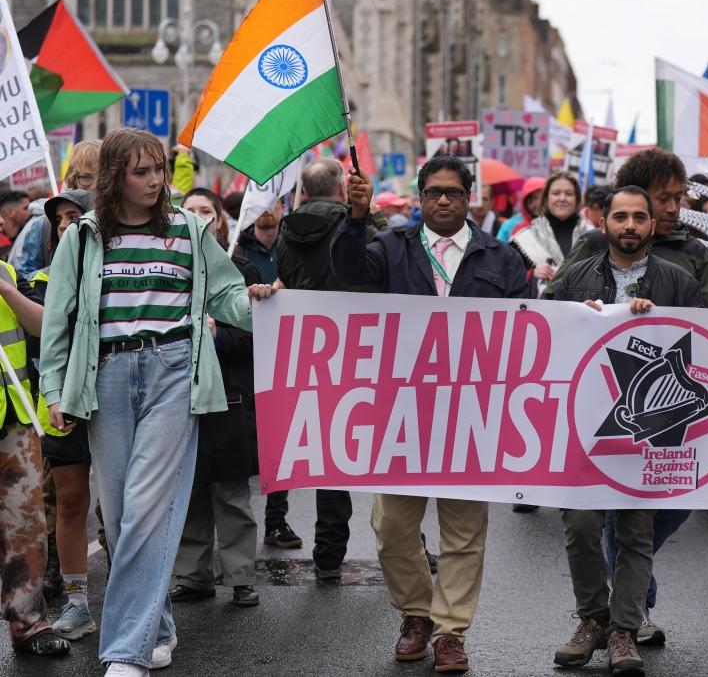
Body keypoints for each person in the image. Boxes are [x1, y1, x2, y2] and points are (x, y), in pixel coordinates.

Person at [39, 129, 275, 676]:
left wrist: (260, 302)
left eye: (159, 170)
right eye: (140, 171)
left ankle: (126, 652)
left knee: (147, 508)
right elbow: (59, 318)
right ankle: (158, 628)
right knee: (123, 516)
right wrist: (53, 390)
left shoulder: (189, 229)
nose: (154, 180)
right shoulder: (84, 236)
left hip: (174, 372)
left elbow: (226, 295)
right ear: (114, 177)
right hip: (106, 376)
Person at [330, 155, 529, 673]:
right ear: (420, 199)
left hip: (470, 414)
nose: (444, 200)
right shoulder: (389, 247)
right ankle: (416, 613)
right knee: (393, 526)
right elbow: (348, 273)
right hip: (401, 412)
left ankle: (449, 632)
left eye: (454, 192)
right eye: (434, 192)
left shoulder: (501, 257)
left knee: (464, 532)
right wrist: (355, 217)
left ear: (468, 198)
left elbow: (528, 328)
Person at [546, 147, 708, 644]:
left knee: (638, 528)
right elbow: (544, 323)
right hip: (587, 421)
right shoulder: (581, 268)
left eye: (643, 216)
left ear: (648, 222)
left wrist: (662, 324)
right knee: (582, 524)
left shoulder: (683, 272)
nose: (632, 224)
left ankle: (625, 625)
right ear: (605, 220)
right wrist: (578, 315)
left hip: (654, 427)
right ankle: (595, 620)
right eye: (622, 216)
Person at [267, 158, 370, 576]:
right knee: (384, 450)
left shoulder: (286, 234)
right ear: (342, 190)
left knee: (330, 453)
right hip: (362, 348)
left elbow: (288, 280)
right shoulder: (356, 226)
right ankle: (409, 546)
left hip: (312, 352)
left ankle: (328, 555)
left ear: (305, 193)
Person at [167, 188, 260, 609]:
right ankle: (193, 575)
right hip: (179, 393)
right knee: (188, 489)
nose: (199, 217)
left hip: (228, 396)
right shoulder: (170, 268)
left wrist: (218, 334)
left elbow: (256, 333)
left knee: (231, 491)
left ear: (220, 220)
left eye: (206, 211)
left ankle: (241, 576)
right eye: (190, 211)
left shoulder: (241, 269)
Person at [0, 192, 71, 658]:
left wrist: (6, 291)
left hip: (15, 416)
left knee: (25, 526)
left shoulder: (7, 274)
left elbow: (44, 327)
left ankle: (28, 623)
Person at [544, 148, 708, 311]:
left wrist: (661, 320)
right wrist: (582, 313)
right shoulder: (594, 243)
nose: (673, 208)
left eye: (677, 198)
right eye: (663, 199)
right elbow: (549, 307)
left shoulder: (694, 252)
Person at [31, 190, 98, 642]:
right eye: (58, 220)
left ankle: (143, 602)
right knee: (70, 502)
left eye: (73, 216)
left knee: (123, 507)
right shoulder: (43, 278)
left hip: (110, 396)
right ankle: (77, 604)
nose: (65, 225)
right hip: (64, 404)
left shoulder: (110, 268)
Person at [15, 140, 101, 280]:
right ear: (73, 179)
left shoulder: (118, 223)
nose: (95, 185)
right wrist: (57, 272)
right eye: (86, 177)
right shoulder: (44, 226)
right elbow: (23, 280)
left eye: (101, 177)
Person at [512, 171, 586, 294]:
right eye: (556, 193)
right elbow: (509, 278)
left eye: (569, 194)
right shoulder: (527, 237)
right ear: (546, 199)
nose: (562, 198)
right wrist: (533, 275)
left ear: (577, 199)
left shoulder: (593, 235)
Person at [233, 199, 280, 284]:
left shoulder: (293, 249)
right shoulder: (237, 253)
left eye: (272, 201)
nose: (266, 207)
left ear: (283, 207)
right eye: (259, 201)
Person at [496, 176, 545, 242]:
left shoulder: (556, 224)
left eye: (542, 198)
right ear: (524, 201)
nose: (538, 203)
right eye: (532, 199)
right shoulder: (511, 227)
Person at [0, 190, 31, 260]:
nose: (29, 212)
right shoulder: (1, 242)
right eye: (26, 208)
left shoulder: (29, 235)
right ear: (10, 212)